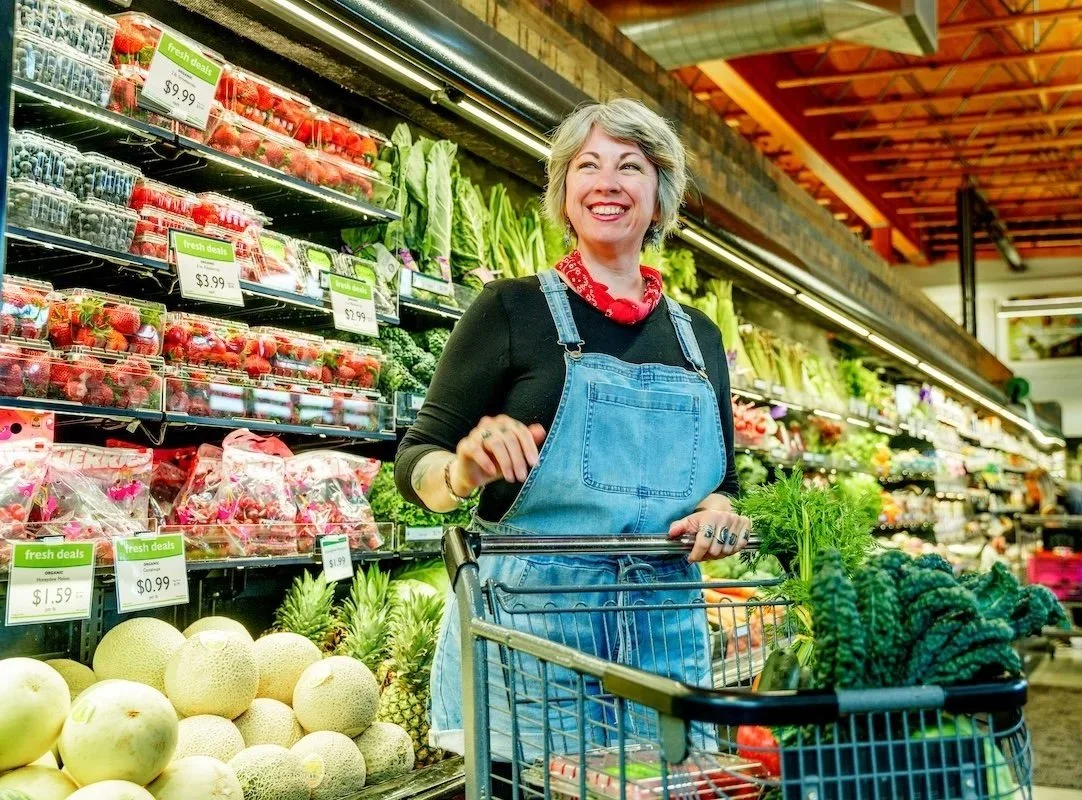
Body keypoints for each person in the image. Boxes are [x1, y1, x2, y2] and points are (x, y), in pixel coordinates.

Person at [395, 98, 751, 765]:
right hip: (533, 641)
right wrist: (461, 471)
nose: (607, 182)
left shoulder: (698, 337)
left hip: (662, 639)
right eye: (588, 166)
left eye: (630, 166)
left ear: (659, 194)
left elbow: (723, 482)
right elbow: (418, 458)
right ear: (565, 194)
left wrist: (719, 515)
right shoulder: (510, 309)